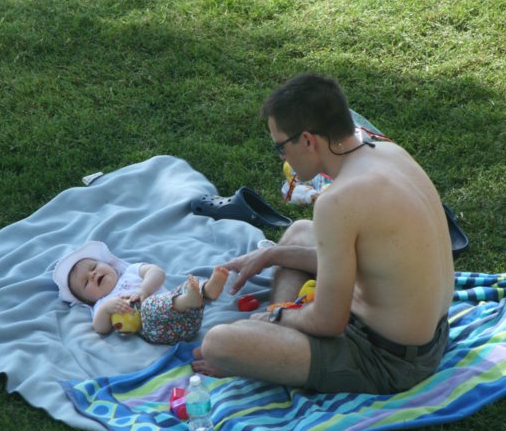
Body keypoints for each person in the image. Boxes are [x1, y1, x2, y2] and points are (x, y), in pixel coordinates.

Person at [192, 73, 454, 394]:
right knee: (299, 231)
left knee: (218, 344)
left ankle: (272, 340)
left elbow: (329, 322)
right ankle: (275, 338)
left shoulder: (338, 201)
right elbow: (371, 261)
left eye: (280, 147)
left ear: (307, 140)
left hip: (388, 360)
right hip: (429, 335)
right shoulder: (389, 153)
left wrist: (277, 317)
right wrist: (273, 254)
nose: (282, 158)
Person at [53, 241, 229, 345]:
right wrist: (107, 309)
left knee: (187, 285)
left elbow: (156, 272)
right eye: (86, 282)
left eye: (93, 267)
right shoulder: (103, 303)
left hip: (190, 317)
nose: (92, 275)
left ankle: (207, 290)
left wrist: (144, 289)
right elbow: (100, 328)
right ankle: (189, 299)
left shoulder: (130, 272)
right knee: (148, 307)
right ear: (88, 300)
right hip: (160, 329)